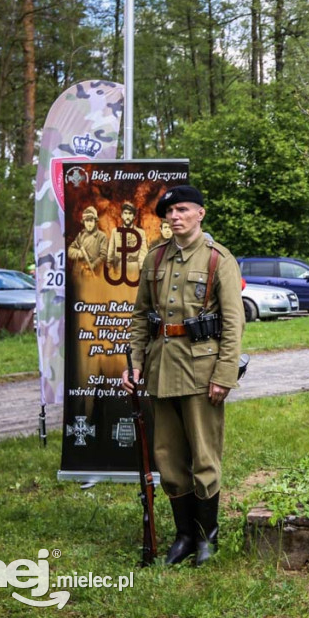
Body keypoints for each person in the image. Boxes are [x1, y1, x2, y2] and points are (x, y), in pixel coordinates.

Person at [122, 185, 244, 567]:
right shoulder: (155, 259)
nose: (175, 217)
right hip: (160, 369)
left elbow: (233, 322)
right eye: (169, 212)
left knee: (204, 457)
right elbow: (141, 316)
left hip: (202, 371)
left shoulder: (217, 259)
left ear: (200, 214)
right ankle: (185, 535)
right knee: (169, 458)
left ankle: (208, 536)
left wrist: (224, 374)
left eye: (183, 210)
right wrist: (135, 363)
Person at [107, 201, 148, 274]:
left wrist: (142, 270)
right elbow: (111, 251)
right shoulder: (115, 232)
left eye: (130, 214)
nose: (128, 216)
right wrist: (109, 266)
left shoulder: (141, 233)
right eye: (125, 213)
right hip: (118, 267)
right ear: (122, 215)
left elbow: (143, 253)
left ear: (134, 216)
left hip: (134, 267)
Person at [67, 207, 107, 274]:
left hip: (95, 273)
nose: (89, 224)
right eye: (86, 221)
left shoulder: (101, 237)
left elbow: (103, 256)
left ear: (95, 221)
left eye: (91, 221)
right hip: (79, 274)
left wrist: (93, 265)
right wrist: (78, 253)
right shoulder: (81, 235)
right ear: (84, 222)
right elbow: (70, 251)